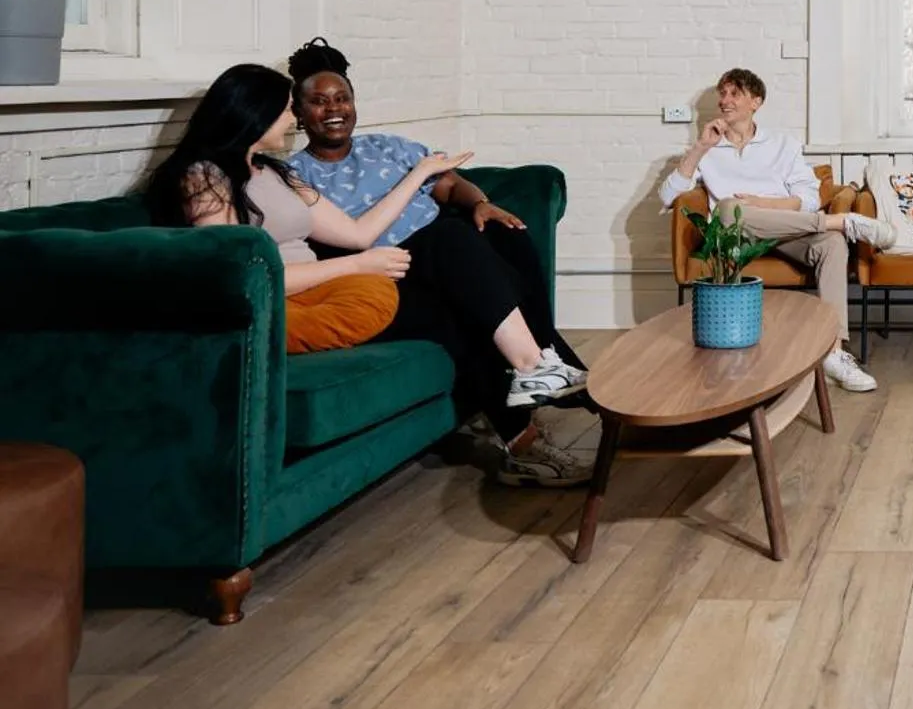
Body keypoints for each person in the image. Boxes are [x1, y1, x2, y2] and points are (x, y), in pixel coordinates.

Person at [284, 39, 591, 488]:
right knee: (457, 276)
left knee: (506, 232)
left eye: (342, 98)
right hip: (388, 273)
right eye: (318, 101)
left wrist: (481, 203)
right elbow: (346, 241)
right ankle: (544, 379)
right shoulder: (296, 175)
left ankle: (540, 359)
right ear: (299, 111)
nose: (333, 109)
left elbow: (448, 185)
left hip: (447, 255)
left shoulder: (387, 146)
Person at [145, 64, 457, 356]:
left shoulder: (277, 172)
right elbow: (242, 274)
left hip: (323, 290)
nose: (293, 120)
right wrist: (357, 266)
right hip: (283, 302)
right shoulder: (205, 177)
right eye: (285, 110)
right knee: (444, 315)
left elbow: (359, 234)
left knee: (455, 304)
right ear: (256, 114)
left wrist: (420, 172)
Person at [657, 68, 894, 393]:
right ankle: (841, 221)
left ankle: (833, 352)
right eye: (722, 94)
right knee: (728, 209)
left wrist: (763, 205)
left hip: (785, 232)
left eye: (734, 94)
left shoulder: (782, 144)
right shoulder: (709, 147)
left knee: (833, 244)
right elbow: (668, 196)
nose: (725, 101)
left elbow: (809, 198)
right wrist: (700, 146)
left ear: (756, 101)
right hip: (736, 237)